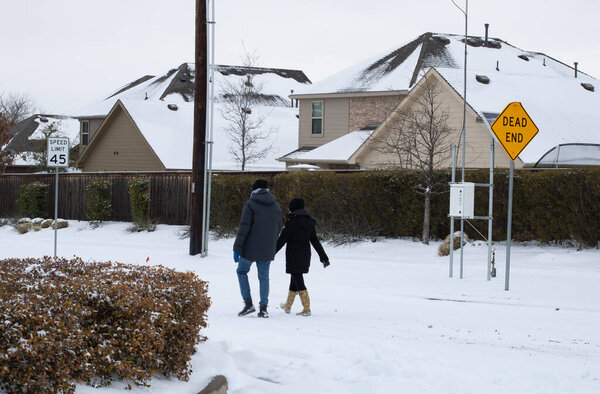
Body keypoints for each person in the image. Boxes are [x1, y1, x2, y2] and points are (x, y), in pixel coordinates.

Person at [233, 179, 282, 318]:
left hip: (249, 248)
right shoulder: (276, 205)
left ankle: (248, 304)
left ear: (254, 189)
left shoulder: (251, 204)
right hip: (267, 248)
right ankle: (264, 308)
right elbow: (278, 227)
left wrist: (237, 247)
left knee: (242, 271)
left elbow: (244, 228)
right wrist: (271, 243)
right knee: (264, 277)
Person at [276, 198, 329, 316]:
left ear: (293, 208)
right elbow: (315, 241)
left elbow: (281, 240)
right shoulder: (309, 222)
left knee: (297, 278)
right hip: (305, 255)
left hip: (293, 255)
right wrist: (323, 257)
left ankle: (307, 308)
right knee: (294, 278)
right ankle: (288, 306)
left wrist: (269, 254)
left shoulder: (291, 222)